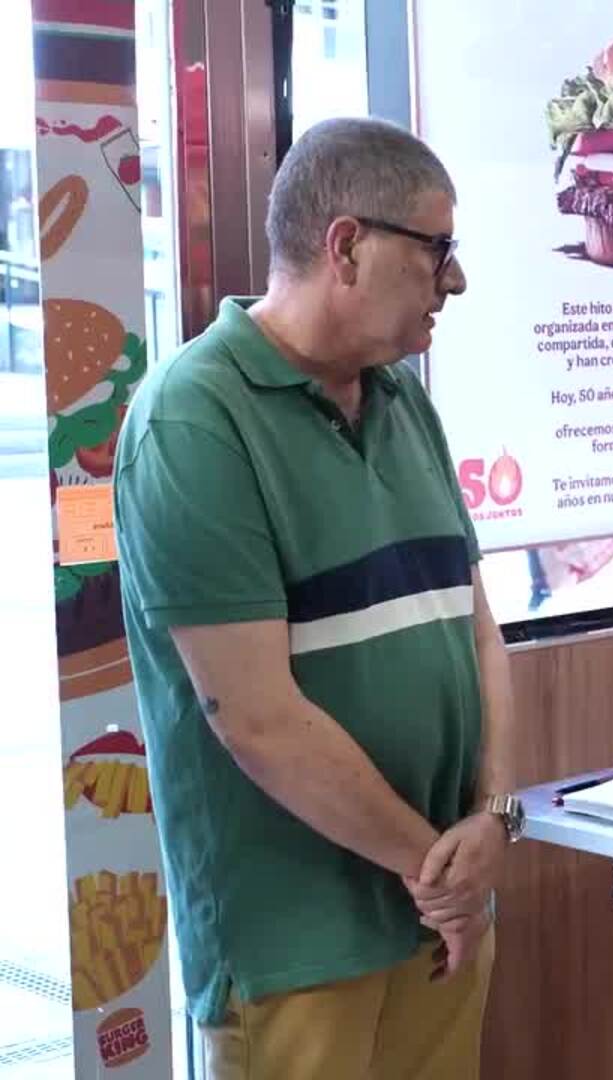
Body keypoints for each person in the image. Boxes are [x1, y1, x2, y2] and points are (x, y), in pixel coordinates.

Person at [114, 118, 519, 1079]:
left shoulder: (403, 400)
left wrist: (494, 816)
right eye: (436, 250)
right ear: (346, 246)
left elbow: (476, 629)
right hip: (296, 947)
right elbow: (255, 720)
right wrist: (439, 871)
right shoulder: (193, 419)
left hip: (435, 917)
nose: (455, 280)